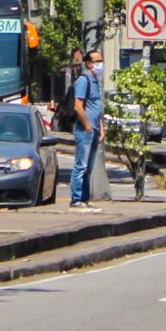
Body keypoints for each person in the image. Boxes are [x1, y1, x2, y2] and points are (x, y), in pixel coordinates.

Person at [67, 49, 104, 211]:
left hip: (94, 129)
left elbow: (97, 107)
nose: (100, 64)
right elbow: (78, 107)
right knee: (81, 165)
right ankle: (76, 199)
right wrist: (88, 126)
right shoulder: (84, 80)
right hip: (85, 130)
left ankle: (85, 198)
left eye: (101, 61)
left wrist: (101, 128)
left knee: (89, 166)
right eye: (96, 61)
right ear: (88, 64)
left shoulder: (96, 81)